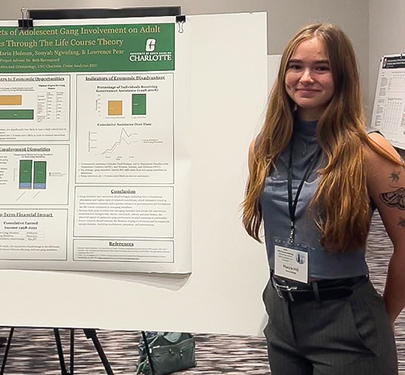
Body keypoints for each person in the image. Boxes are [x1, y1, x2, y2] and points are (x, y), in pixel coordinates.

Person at [242, 23, 405, 374]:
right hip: (282, 312)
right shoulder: (264, 147)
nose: (305, 78)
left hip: (346, 314)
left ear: (342, 75)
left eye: (321, 67)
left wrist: (383, 317)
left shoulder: (369, 151)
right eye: (296, 66)